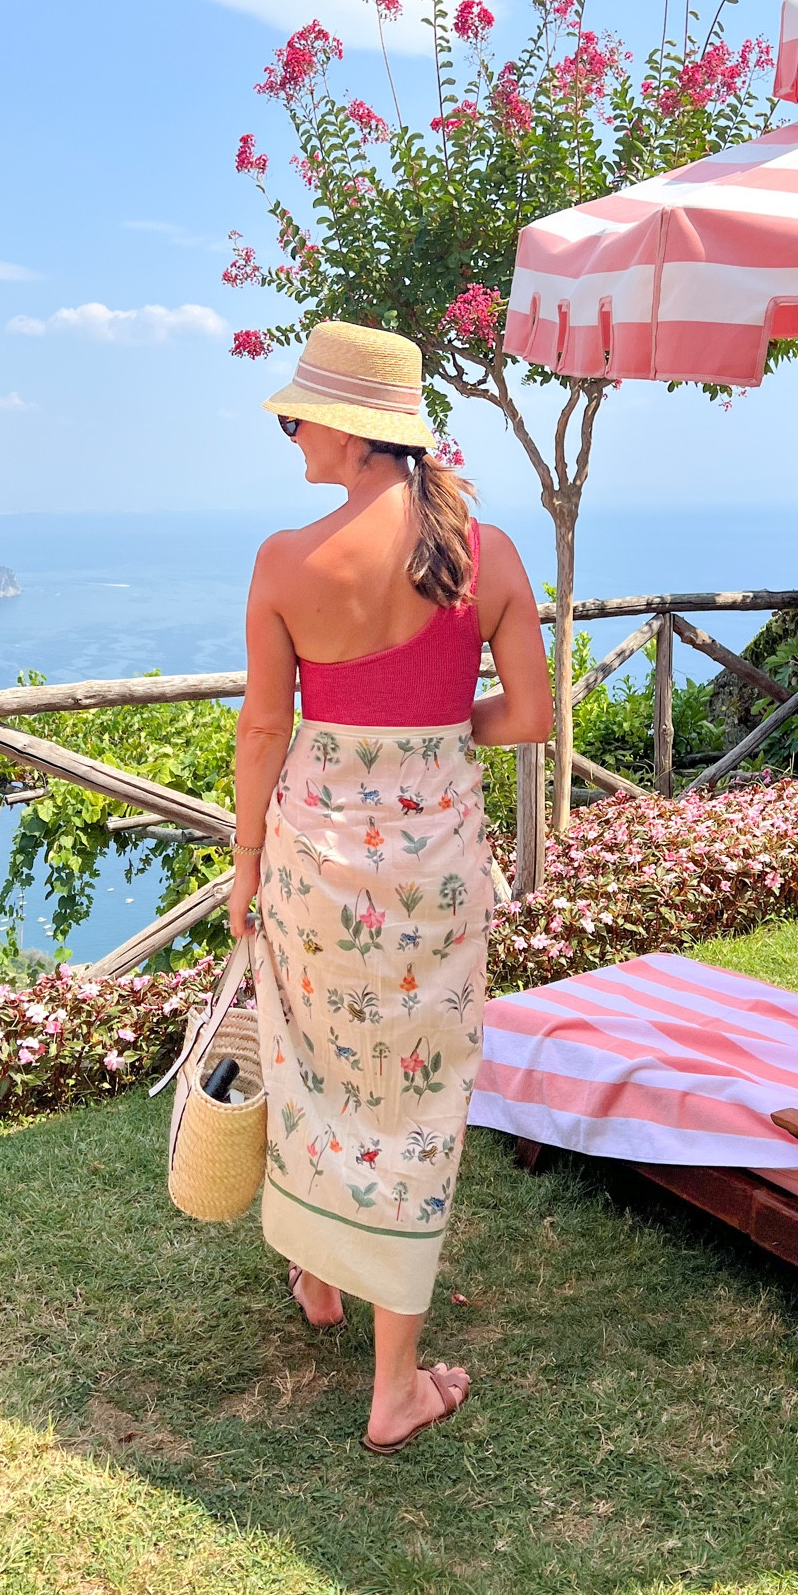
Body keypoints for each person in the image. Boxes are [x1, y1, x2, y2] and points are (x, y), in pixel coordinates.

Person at [230, 320, 552, 1454]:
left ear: (358, 431)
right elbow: (529, 717)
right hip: (435, 870)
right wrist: (428, 731)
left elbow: (267, 725)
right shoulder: (491, 553)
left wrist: (245, 865)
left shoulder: (282, 562)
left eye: (298, 415)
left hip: (315, 861)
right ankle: (392, 1376)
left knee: (316, 1058)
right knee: (414, 1092)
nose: (289, 433)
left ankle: (321, 1277)